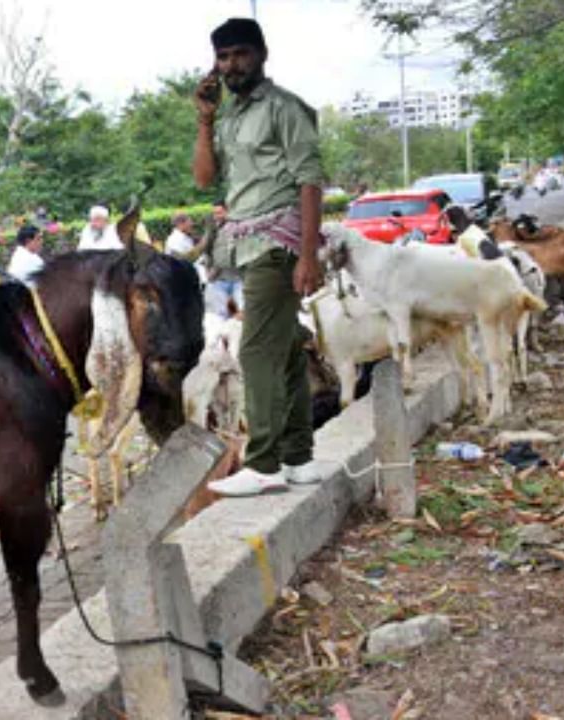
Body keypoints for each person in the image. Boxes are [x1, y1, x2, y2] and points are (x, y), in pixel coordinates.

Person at [191, 18, 329, 497]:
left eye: (240, 55)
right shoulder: (228, 117)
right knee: (286, 349)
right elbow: (205, 179)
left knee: (254, 349)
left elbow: (311, 181)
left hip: (280, 242)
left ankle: (264, 462)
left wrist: (308, 256)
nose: (232, 65)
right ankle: (297, 458)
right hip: (246, 243)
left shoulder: (286, 109)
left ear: (261, 54)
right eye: (223, 57)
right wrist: (206, 119)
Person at [203, 201, 244, 319]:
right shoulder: (212, 229)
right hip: (219, 281)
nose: (217, 216)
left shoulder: (238, 228)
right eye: (214, 214)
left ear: (228, 212)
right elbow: (207, 253)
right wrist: (208, 272)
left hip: (238, 278)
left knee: (244, 313)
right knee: (220, 317)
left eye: (220, 213)